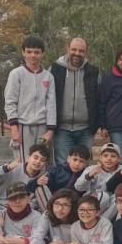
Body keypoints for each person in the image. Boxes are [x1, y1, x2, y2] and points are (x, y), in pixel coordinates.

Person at [4, 36, 56, 163]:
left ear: (42, 53)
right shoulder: (16, 74)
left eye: (37, 52)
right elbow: (10, 102)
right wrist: (14, 128)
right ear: (23, 52)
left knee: (41, 162)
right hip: (22, 126)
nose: (33, 55)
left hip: (42, 127)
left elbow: (51, 104)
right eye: (29, 52)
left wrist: (50, 130)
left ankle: (40, 184)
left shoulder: (48, 76)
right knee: (22, 162)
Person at [50, 36, 99, 165]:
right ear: (67, 49)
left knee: (83, 166)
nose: (77, 53)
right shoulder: (55, 69)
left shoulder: (93, 72)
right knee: (63, 166)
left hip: (86, 129)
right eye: (74, 49)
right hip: (62, 129)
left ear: (86, 52)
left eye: (81, 51)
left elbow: (99, 99)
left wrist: (99, 124)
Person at [0, 145, 49, 211]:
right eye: (35, 158)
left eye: (42, 160)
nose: (38, 162)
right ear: (28, 158)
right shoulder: (13, 167)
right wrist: (6, 168)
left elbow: (36, 201)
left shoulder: (44, 178)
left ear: (45, 163)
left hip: (21, 210)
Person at [25, 145, 90, 211]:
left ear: (86, 164)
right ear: (68, 159)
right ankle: (50, 214)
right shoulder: (56, 171)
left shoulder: (86, 176)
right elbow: (29, 188)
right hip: (52, 204)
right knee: (39, 188)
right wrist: (37, 182)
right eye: (75, 159)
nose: (77, 164)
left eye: (81, 161)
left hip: (72, 207)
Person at [75, 143, 122, 221]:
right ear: (100, 158)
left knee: (120, 197)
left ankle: (102, 222)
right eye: (105, 156)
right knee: (104, 196)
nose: (109, 159)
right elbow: (78, 187)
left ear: (119, 159)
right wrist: (90, 175)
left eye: (113, 156)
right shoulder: (92, 168)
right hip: (91, 202)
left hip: (111, 205)